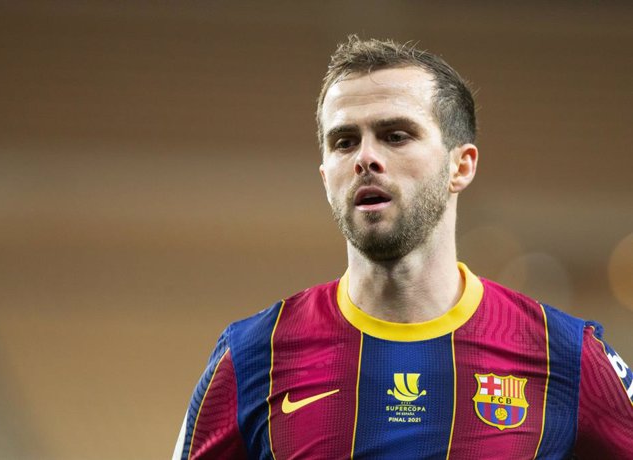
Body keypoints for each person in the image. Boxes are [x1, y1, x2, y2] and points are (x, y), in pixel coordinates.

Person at [173, 36, 633, 459]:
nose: (365, 159)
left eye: (396, 135)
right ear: (325, 177)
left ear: (461, 165)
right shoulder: (254, 354)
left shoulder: (566, 355)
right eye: (344, 142)